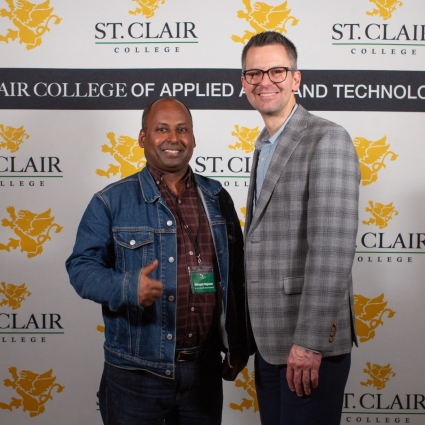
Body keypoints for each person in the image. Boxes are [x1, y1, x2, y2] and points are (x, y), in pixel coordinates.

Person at [66, 97, 248, 425]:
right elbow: (80, 267)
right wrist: (126, 286)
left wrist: (238, 344)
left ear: (193, 138)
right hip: (136, 375)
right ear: (143, 138)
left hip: (204, 372)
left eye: (182, 129)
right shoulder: (111, 201)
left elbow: (236, 275)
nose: (173, 138)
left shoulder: (217, 197)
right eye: (161, 129)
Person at [241, 31, 360, 425]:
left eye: (276, 71)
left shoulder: (327, 138)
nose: (265, 81)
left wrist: (309, 343)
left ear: (295, 78)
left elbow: (332, 251)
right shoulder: (264, 145)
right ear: (244, 82)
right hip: (270, 340)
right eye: (254, 73)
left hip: (307, 347)